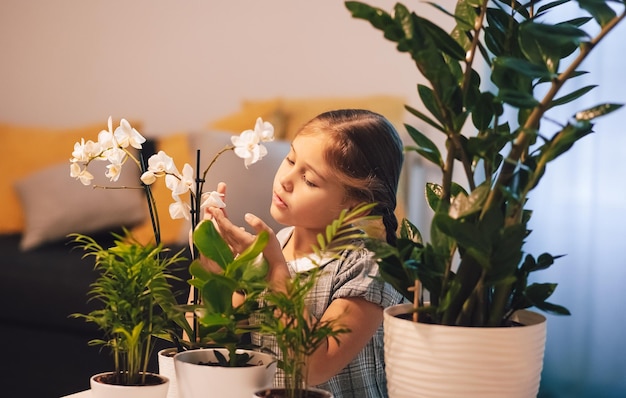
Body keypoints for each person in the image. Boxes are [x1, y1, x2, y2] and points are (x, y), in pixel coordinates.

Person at [202, 109, 405, 398]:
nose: (286, 179)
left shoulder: (369, 267)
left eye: (309, 180)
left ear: (356, 204)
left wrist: (276, 273)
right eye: (290, 159)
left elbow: (315, 366)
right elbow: (209, 345)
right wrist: (214, 265)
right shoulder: (274, 247)